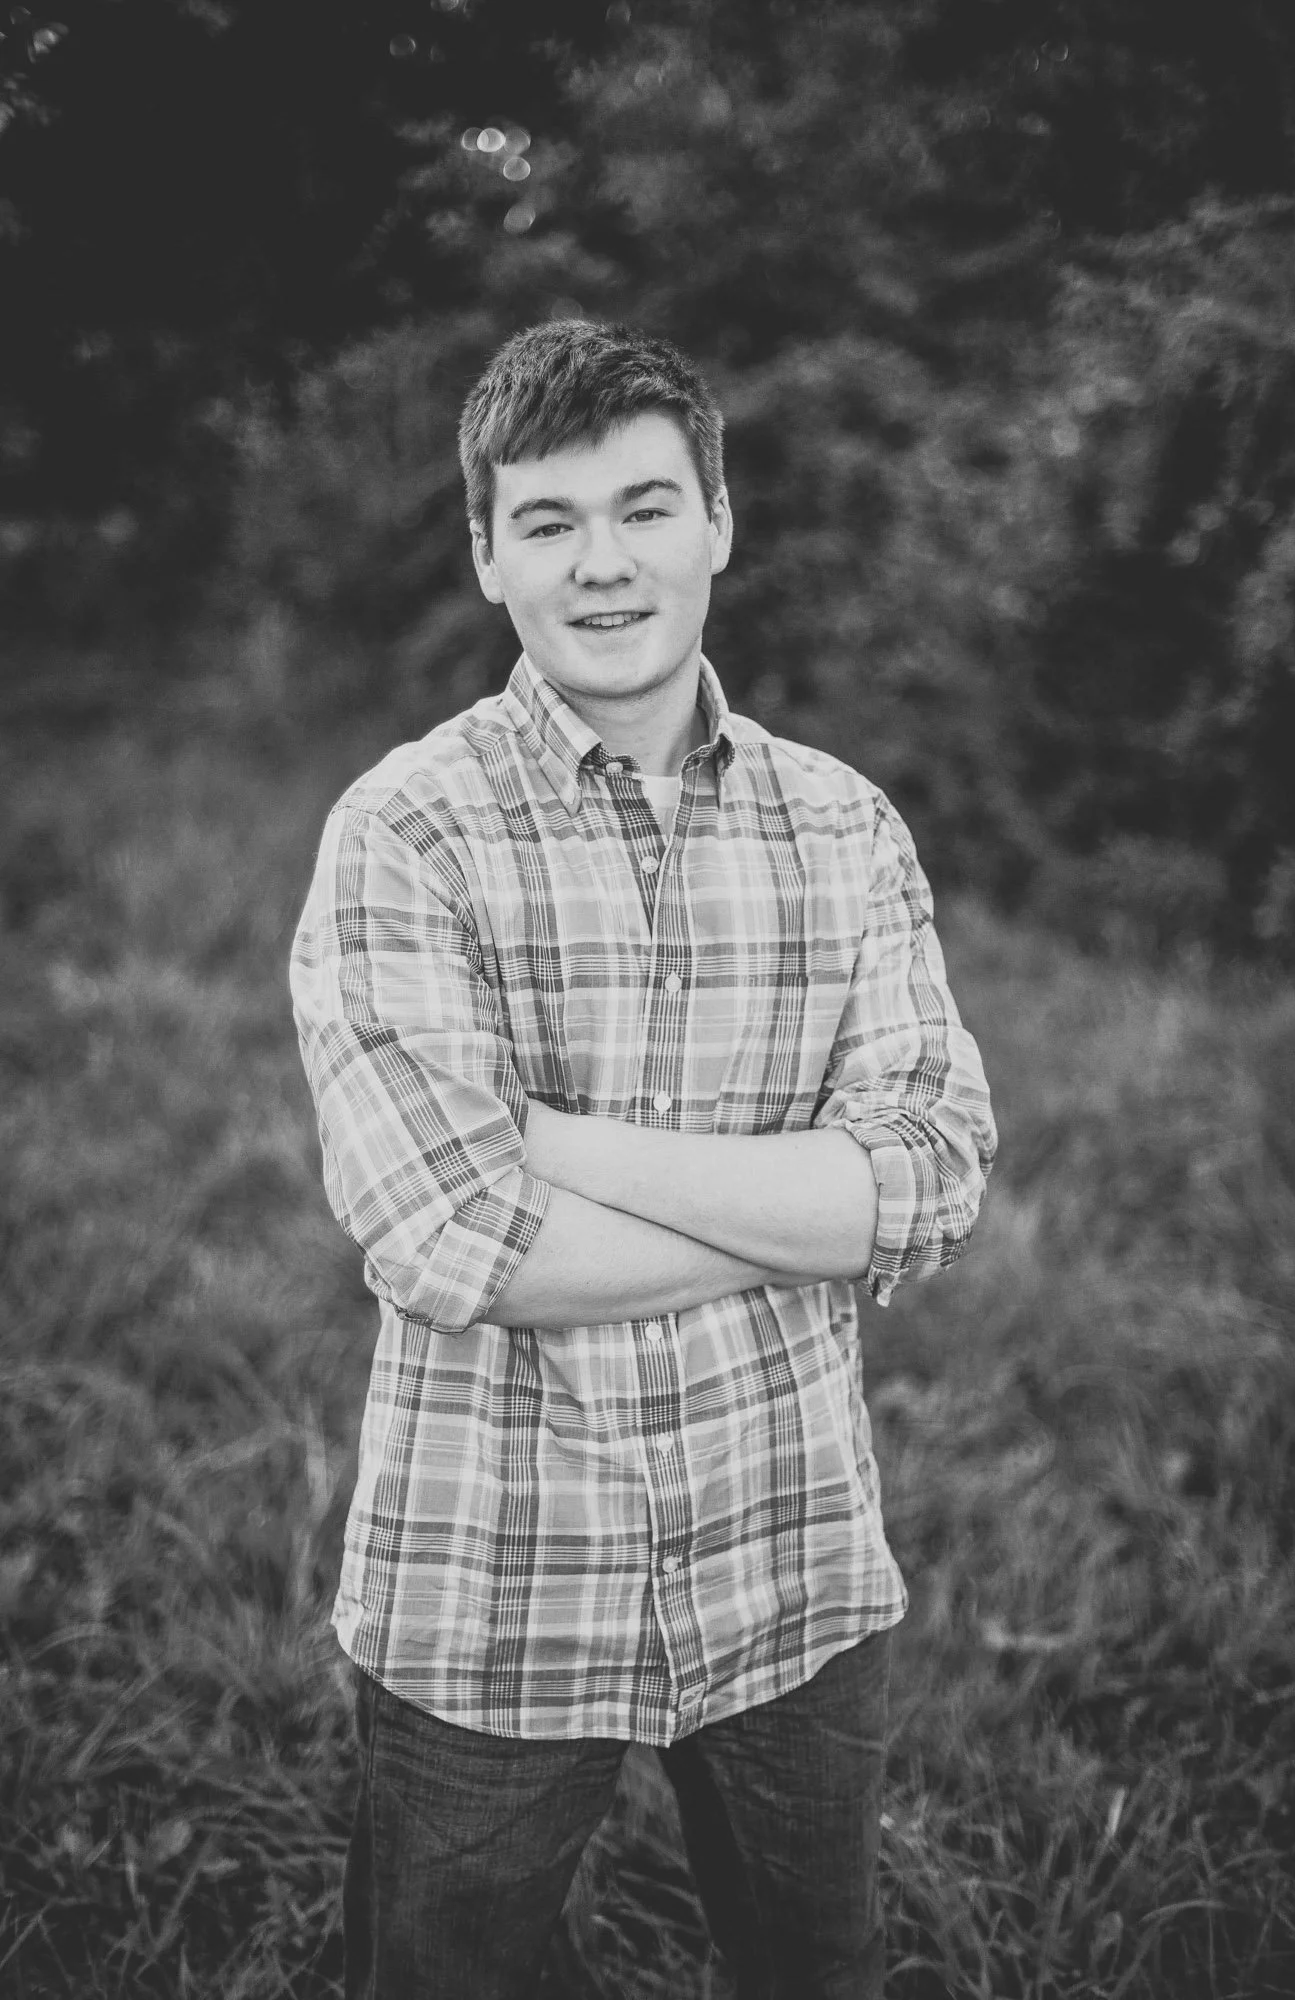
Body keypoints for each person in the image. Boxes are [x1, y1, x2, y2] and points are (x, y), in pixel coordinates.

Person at [290, 319, 996, 2000]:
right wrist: (809, 1216)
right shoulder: (407, 828)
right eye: (548, 521)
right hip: (488, 1582)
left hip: (793, 1557)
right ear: (485, 554)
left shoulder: (844, 826)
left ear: (719, 522)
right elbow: (449, 1238)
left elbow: (936, 1167)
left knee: (815, 1976)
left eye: (646, 506)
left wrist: (566, 1144)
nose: (603, 564)